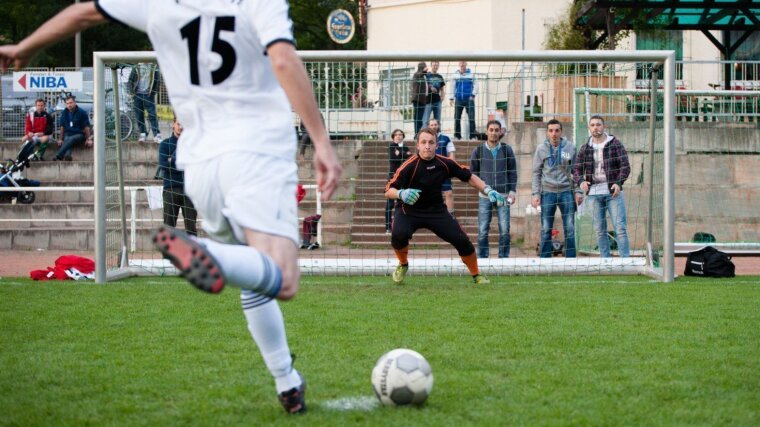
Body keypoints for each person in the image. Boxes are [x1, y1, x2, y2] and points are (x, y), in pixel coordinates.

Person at [0, 0, 341, 415]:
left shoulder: (157, 2)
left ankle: (287, 382)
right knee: (283, 277)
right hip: (257, 149)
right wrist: (321, 141)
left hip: (199, 163)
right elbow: (284, 60)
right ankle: (208, 253)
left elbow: (84, 12)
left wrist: (25, 49)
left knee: (251, 272)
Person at [385, 127, 503, 285]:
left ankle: (476, 275)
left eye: (431, 142)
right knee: (398, 235)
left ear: (437, 145)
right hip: (409, 211)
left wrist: (487, 190)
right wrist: (401, 194)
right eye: (424, 142)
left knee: (462, 241)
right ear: (418, 145)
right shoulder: (408, 166)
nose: (427, 146)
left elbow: (468, 176)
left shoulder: (445, 163)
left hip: (436, 211)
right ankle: (403, 264)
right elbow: (388, 190)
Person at [573, 115, 630, 258]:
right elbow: (576, 169)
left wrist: (618, 183)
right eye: (592, 125)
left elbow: (625, 166)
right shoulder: (585, 148)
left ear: (603, 127)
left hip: (613, 193)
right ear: (589, 128)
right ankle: (606, 261)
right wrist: (581, 181)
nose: (595, 127)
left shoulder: (615, 143)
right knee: (599, 230)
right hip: (593, 194)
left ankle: (625, 261)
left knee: (620, 229)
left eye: (598, 124)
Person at [531, 119, 580, 258]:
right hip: (548, 192)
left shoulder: (570, 147)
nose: (554, 134)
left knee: (570, 227)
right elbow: (536, 172)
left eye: (557, 130)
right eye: (551, 130)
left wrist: (578, 191)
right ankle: (545, 259)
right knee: (546, 228)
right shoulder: (541, 149)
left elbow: (576, 171)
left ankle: (571, 259)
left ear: (561, 132)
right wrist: (536, 193)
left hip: (566, 192)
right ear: (547, 132)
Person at [469, 120, 517, 258]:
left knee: (504, 230)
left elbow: (512, 172)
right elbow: (472, 174)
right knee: (483, 229)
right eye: (491, 130)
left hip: (503, 195)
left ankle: (503, 258)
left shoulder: (507, 150)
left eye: (497, 130)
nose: (494, 133)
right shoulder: (478, 151)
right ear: (486, 131)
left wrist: (512, 192)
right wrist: (482, 187)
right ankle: (483, 258)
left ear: (500, 132)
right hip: (485, 196)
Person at [158, 117, 197, 236]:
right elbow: (164, 165)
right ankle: (167, 255)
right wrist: (184, 163)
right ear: (173, 124)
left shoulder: (193, 144)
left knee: (191, 228)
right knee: (168, 227)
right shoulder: (165, 144)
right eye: (178, 124)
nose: (181, 127)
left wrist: (173, 161)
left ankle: (192, 254)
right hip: (170, 189)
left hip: (189, 190)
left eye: (183, 124)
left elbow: (196, 166)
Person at [428, 118, 456, 215]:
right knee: (432, 194)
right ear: (428, 126)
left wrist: (451, 167)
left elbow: (451, 154)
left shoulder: (446, 138)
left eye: (435, 124)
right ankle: (434, 214)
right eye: (431, 125)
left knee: (448, 193)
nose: (433, 127)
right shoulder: (426, 139)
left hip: (443, 171)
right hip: (429, 171)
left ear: (438, 125)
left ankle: (450, 215)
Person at [129, 62, 162, 143]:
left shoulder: (154, 67)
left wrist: (153, 92)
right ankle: (143, 134)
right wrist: (131, 93)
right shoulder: (136, 66)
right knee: (139, 116)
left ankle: (156, 135)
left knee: (152, 115)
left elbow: (158, 80)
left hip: (148, 95)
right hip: (137, 95)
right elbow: (130, 80)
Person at [385, 129, 410, 235]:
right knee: (390, 204)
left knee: (403, 203)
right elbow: (393, 159)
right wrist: (403, 155)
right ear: (393, 136)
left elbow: (409, 159)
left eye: (400, 135)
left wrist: (400, 153)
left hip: (403, 177)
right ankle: (388, 227)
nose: (398, 136)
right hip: (393, 177)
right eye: (396, 135)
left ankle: (402, 227)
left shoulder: (405, 147)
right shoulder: (391, 146)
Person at [53, 95, 91, 161]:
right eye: (67, 103)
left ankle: (59, 155)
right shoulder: (64, 112)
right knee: (67, 138)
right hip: (68, 133)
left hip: (79, 134)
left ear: (75, 103)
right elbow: (62, 127)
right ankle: (68, 156)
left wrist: (88, 139)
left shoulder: (82, 113)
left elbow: (86, 127)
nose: (69, 105)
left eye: (70, 103)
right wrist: (60, 139)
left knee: (70, 139)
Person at [450, 61, 477, 140]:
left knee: (471, 118)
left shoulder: (471, 74)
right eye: (461, 62)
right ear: (459, 64)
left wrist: (473, 95)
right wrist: (451, 98)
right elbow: (452, 86)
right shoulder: (455, 74)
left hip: (469, 99)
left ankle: (472, 136)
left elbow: (476, 85)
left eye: (464, 62)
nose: (462, 64)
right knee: (457, 118)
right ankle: (457, 136)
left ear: (466, 64)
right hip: (458, 99)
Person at [421, 61, 445, 126]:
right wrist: (430, 87)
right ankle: (425, 135)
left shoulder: (440, 77)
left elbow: (442, 89)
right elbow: (423, 84)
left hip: (437, 101)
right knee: (425, 120)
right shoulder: (427, 75)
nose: (435, 67)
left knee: (437, 121)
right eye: (434, 65)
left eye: (437, 65)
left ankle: (437, 135)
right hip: (428, 101)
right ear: (431, 65)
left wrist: (442, 97)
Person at [410, 62, 430, 135]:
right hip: (418, 99)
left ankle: (418, 133)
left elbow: (426, 85)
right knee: (418, 118)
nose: (426, 68)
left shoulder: (424, 76)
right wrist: (424, 71)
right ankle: (417, 133)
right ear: (422, 67)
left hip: (423, 100)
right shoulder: (417, 74)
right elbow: (420, 74)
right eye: (425, 67)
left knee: (420, 118)